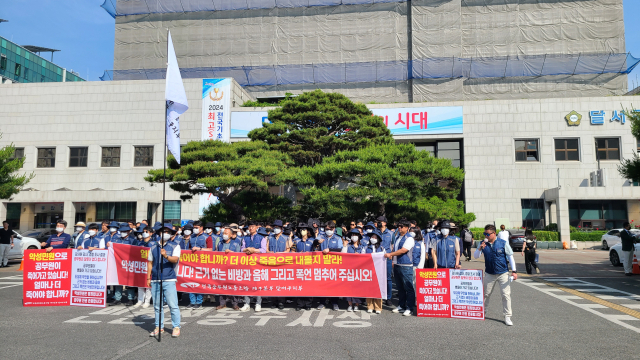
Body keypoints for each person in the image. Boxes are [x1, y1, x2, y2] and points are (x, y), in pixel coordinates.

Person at [474, 224, 518, 326]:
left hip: (503, 273)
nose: (486, 236)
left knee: (505, 295)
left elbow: (510, 257)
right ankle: (483, 313)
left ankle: (507, 316)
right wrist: (480, 248)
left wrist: (514, 271)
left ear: (494, 233)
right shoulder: (483, 244)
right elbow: (476, 256)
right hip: (489, 273)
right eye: (484, 234)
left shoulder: (502, 243)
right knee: (486, 294)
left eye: (487, 234)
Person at [147, 223, 182, 338]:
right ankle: (158, 326)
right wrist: (148, 277)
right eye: (163, 231)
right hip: (156, 279)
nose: (165, 234)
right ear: (159, 233)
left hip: (169, 279)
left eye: (168, 232)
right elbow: (150, 262)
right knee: (157, 306)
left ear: (171, 234)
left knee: (173, 305)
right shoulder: (153, 246)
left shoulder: (175, 246)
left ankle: (176, 327)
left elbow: (175, 259)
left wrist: (166, 256)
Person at [384, 220, 415, 317]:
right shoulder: (397, 237)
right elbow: (395, 249)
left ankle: (409, 308)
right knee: (400, 288)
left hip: (406, 265)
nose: (399, 228)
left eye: (401, 226)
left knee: (408, 287)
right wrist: (393, 260)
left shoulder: (409, 238)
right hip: (397, 265)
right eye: (398, 226)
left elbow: (403, 250)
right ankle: (401, 305)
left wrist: (390, 254)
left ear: (407, 228)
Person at [241, 221, 267, 312]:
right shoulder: (245, 238)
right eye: (249, 227)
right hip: (247, 265)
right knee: (246, 283)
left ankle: (258, 303)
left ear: (256, 227)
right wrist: (246, 249)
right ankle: (247, 303)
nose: (251, 228)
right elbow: (241, 249)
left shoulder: (261, 238)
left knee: (257, 284)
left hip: (257, 265)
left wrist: (254, 250)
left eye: (253, 226)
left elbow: (264, 250)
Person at [316, 221, 343, 311]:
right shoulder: (322, 236)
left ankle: (334, 302)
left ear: (334, 229)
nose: (329, 231)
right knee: (323, 283)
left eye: (330, 229)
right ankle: (322, 302)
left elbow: (340, 249)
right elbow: (315, 242)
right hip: (322, 264)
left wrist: (330, 250)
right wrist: (317, 242)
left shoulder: (338, 238)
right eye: (327, 229)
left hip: (334, 265)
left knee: (334, 284)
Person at [216, 227, 242, 310]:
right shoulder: (220, 243)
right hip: (222, 268)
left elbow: (239, 256)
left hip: (233, 268)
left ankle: (235, 303)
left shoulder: (236, 244)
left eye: (226, 233)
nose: (224, 235)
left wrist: (232, 253)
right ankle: (222, 303)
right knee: (222, 286)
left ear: (231, 235)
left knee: (234, 286)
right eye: (224, 233)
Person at [109, 224, 135, 306]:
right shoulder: (117, 240)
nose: (123, 233)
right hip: (119, 263)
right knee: (118, 281)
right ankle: (117, 298)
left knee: (129, 282)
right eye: (121, 231)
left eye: (124, 231)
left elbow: (135, 251)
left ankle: (130, 298)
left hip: (129, 263)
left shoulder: (133, 240)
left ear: (128, 231)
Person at [267, 220, 290, 309]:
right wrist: (269, 253)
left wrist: (281, 254)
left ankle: (281, 302)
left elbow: (288, 250)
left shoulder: (286, 238)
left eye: (277, 227)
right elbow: (267, 249)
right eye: (274, 227)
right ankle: (273, 301)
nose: (275, 229)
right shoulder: (270, 237)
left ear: (281, 228)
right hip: (272, 263)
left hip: (282, 264)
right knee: (272, 283)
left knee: (281, 283)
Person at [342, 228, 365, 311]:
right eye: (352, 235)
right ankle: (349, 304)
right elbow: (343, 256)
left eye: (355, 235)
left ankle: (356, 305)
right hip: (349, 270)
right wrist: (344, 246)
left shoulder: (362, 247)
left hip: (359, 271)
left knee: (358, 288)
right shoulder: (348, 247)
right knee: (348, 287)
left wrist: (359, 256)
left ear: (359, 236)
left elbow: (366, 258)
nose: (354, 236)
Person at [295, 222, 315, 311]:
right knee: (299, 285)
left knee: (309, 285)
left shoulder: (312, 240)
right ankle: (299, 304)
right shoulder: (296, 240)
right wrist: (297, 254)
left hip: (309, 266)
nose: (303, 231)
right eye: (301, 230)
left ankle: (308, 304)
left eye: (304, 229)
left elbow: (316, 252)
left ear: (308, 231)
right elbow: (291, 253)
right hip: (298, 266)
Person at [364, 229, 385, 314]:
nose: (373, 238)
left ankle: (378, 307)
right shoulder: (365, 247)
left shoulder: (382, 248)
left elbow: (385, 258)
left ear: (378, 239)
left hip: (379, 270)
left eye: (375, 237)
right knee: (369, 288)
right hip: (368, 270)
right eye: (372, 237)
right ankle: (370, 306)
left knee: (378, 288)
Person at [376, 215, 394, 307]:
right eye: (378, 221)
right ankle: (378, 296)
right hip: (377, 258)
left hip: (387, 258)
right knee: (377, 278)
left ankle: (388, 298)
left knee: (388, 278)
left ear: (385, 223)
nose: (378, 222)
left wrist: (393, 258)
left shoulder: (391, 233)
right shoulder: (375, 232)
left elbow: (393, 246)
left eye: (380, 221)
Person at [135, 224, 155, 308]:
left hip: (149, 265)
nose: (144, 233)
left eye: (146, 232)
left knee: (148, 285)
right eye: (143, 232)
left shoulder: (153, 243)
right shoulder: (139, 243)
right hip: (141, 266)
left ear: (151, 233)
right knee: (140, 284)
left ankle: (147, 301)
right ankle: (140, 300)